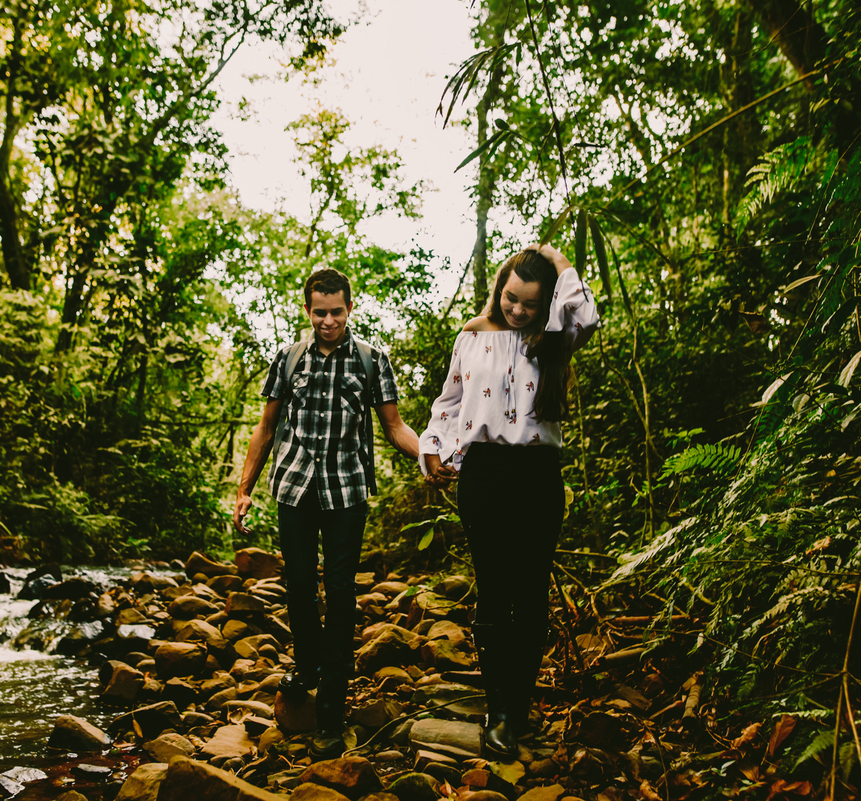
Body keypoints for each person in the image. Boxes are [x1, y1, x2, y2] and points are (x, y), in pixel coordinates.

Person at [418, 243, 599, 758]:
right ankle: (499, 712)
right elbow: (449, 402)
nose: (516, 309)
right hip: (485, 473)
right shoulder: (472, 337)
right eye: (510, 297)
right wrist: (433, 448)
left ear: (544, 307)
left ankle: (518, 704)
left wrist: (559, 260)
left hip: (538, 475)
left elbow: (587, 314)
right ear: (499, 287)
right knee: (495, 592)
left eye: (528, 304)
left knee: (532, 593)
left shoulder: (551, 340)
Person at [233, 268, 421, 759]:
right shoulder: (288, 358)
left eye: (337, 311)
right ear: (307, 310)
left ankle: (332, 710)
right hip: (294, 486)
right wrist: (245, 489)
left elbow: (394, 425)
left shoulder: (371, 360)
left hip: (348, 491)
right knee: (297, 585)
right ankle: (309, 664)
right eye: (320, 312)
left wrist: (429, 456)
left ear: (350, 309)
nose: (329, 320)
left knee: (339, 592)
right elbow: (266, 426)